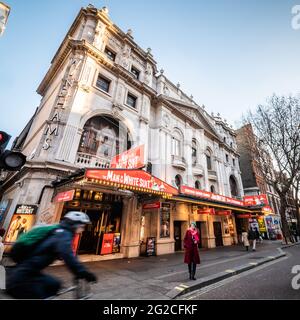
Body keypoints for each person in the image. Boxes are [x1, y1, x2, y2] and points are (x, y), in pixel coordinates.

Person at [6, 211, 97, 299]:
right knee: (45, 290)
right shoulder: (64, 234)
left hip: (27, 273)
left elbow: (69, 254)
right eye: (82, 226)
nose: (83, 229)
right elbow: (68, 256)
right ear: (76, 224)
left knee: (54, 284)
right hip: (21, 279)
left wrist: (78, 270)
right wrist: (84, 273)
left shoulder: (57, 232)